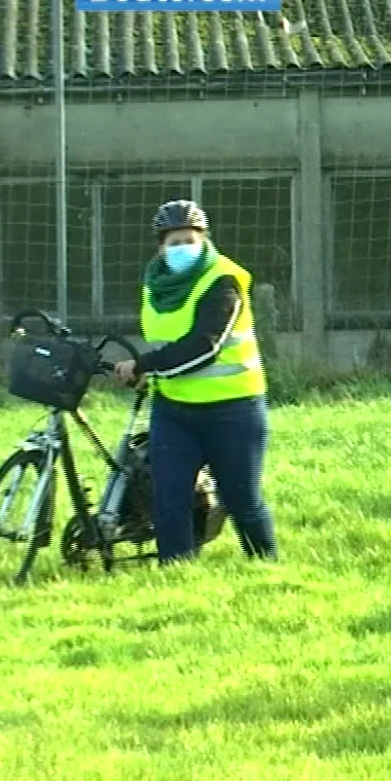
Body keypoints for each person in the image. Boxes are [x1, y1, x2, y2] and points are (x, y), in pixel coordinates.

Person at [111, 200, 278, 564]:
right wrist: (149, 374)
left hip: (233, 411)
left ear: (204, 240)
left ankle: (269, 570)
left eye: (189, 239)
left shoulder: (223, 280)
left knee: (241, 501)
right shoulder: (154, 284)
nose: (181, 248)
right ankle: (176, 578)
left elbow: (204, 347)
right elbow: (165, 341)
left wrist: (145, 366)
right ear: (160, 247)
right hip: (173, 411)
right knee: (168, 500)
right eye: (173, 242)